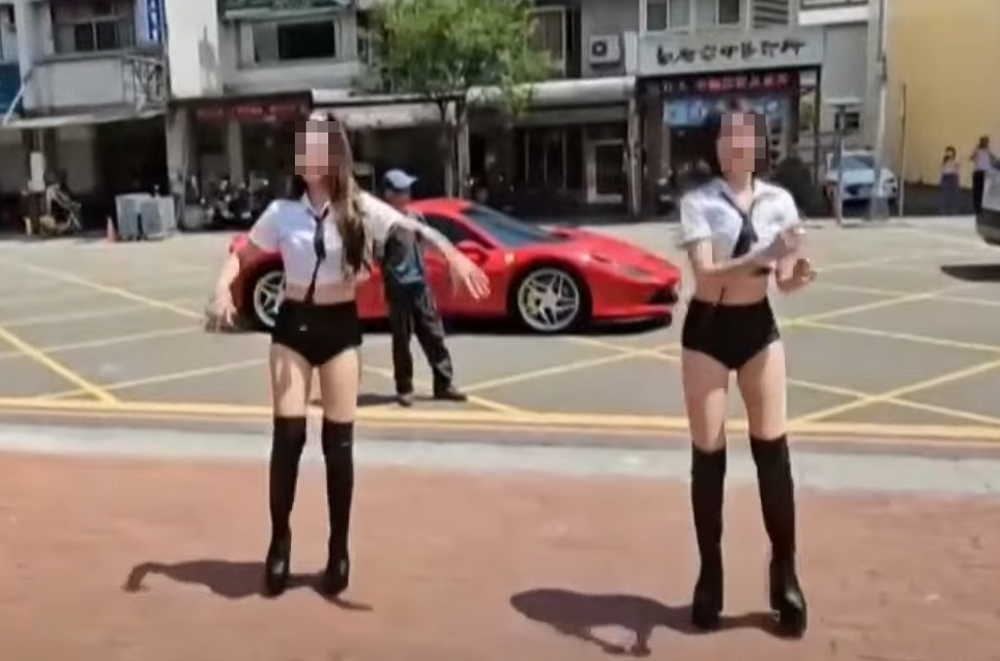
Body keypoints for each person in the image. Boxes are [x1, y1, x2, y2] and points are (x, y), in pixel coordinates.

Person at [208, 111, 489, 599]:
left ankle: (338, 550)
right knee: (289, 438)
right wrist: (220, 290)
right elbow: (241, 254)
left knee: (338, 446)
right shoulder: (281, 214)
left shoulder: (360, 208)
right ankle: (279, 543)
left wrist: (456, 255)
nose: (305, 155)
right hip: (293, 326)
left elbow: (415, 229)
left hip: (339, 327)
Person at [677, 107, 814, 638]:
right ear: (715, 147)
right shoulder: (698, 202)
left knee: (772, 452)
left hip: (758, 328)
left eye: (748, 136)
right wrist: (766, 252)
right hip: (708, 331)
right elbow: (707, 278)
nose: (738, 145)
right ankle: (710, 576)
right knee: (709, 456)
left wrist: (796, 273)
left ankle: (785, 574)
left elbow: (783, 279)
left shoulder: (780, 202)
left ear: (760, 145)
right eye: (728, 137)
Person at [378, 169, 466, 407]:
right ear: (388, 194)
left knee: (434, 334)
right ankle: (404, 387)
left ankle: (444, 383)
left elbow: (426, 242)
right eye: (400, 191)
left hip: (420, 285)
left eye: (407, 189)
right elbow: (375, 255)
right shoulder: (382, 223)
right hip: (398, 288)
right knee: (402, 339)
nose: (406, 194)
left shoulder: (415, 216)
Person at [970, 136, 995, 214]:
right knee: (977, 191)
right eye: (985, 141)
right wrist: (974, 157)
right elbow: (971, 158)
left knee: (984, 191)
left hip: (985, 173)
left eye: (987, 142)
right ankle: (977, 208)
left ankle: (981, 207)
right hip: (978, 172)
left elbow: (992, 157)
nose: (987, 143)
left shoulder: (988, 150)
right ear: (981, 142)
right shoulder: (977, 149)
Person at [940, 146, 961, 215]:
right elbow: (943, 170)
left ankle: (953, 207)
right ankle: (945, 207)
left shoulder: (956, 161)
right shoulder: (945, 161)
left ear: (953, 153)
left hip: (953, 177)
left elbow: (957, 170)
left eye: (950, 152)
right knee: (946, 193)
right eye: (947, 152)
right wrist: (942, 178)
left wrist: (957, 179)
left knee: (953, 193)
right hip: (946, 177)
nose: (949, 154)